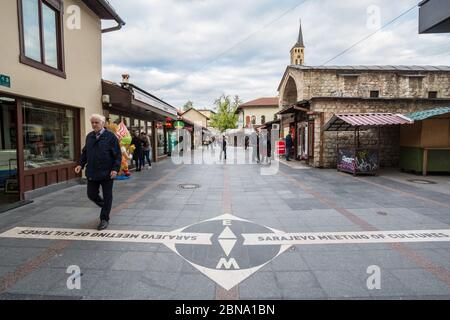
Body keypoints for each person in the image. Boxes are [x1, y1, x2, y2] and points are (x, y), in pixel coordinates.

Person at [75, 114, 121, 231]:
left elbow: (117, 155)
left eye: (96, 122)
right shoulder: (89, 136)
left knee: (107, 195)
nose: (94, 125)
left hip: (107, 173)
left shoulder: (110, 137)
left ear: (102, 123)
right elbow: (85, 153)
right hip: (92, 172)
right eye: (92, 123)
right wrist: (80, 164)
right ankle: (105, 206)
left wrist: (115, 169)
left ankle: (104, 219)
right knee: (91, 194)